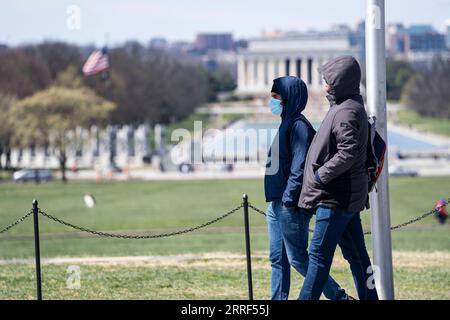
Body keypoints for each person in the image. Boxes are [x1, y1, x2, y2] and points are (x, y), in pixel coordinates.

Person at [298, 56, 379, 300]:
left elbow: (348, 152)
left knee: (318, 260)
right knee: (358, 258)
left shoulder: (346, 112)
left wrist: (321, 176)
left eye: (327, 82)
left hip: (335, 199)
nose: (324, 86)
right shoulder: (348, 106)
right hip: (347, 198)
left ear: (340, 83)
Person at [264, 76, 349, 300]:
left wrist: (288, 200)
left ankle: (340, 297)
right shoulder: (286, 122)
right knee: (277, 260)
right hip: (276, 205)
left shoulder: (299, 126)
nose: (272, 101)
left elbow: (299, 167)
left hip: (288, 205)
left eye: (276, 96)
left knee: (298, 259)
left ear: (289, 98)